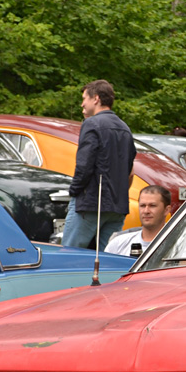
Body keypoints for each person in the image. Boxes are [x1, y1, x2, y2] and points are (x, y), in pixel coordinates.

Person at [63, 79, 136, 249]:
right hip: (117, 207)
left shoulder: (92, 124)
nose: (82, 103)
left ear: (95, 99)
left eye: (84, 98)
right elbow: (130, 171)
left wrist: (74, 192)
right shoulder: (125, 128)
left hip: (90, 204)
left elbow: (84, 165)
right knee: (107, 258)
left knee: (72, 254)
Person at [105, 185, 171, 256]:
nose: (146, 211)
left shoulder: (178, 244)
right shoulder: (118, 244)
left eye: (152, 206)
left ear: (166, 210)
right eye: (142, 206)